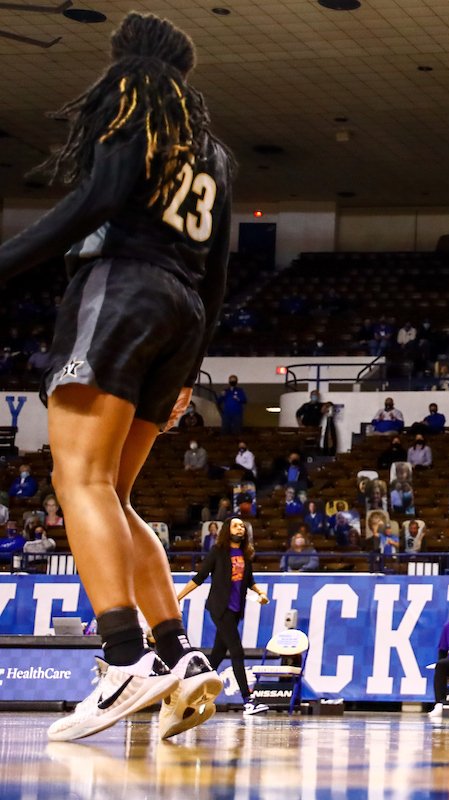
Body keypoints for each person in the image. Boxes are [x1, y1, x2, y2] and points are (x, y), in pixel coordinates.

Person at [0, 12, 235, 743]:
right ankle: (178, 653)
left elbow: (96, 201)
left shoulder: (134, 104)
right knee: (116, 492)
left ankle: (123, 660)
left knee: (79, 484)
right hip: (184, 311)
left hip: (123, 291)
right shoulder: (215, 155)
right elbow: (221, 269)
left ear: (127, 62)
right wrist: (190, 366)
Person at [177, 518, 270, 718]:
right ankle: (248, 701)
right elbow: (200, 577)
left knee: (217, 656)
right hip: (220, 608)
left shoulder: (245, 554)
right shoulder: (218, 552)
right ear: (227, 530)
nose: (240, 528)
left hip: (236, 610)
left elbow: (249, 580)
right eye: (236, 525)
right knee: (236, 650)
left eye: (242, 526)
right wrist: (177, 597)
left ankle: (189, 693)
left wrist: (260, 593)